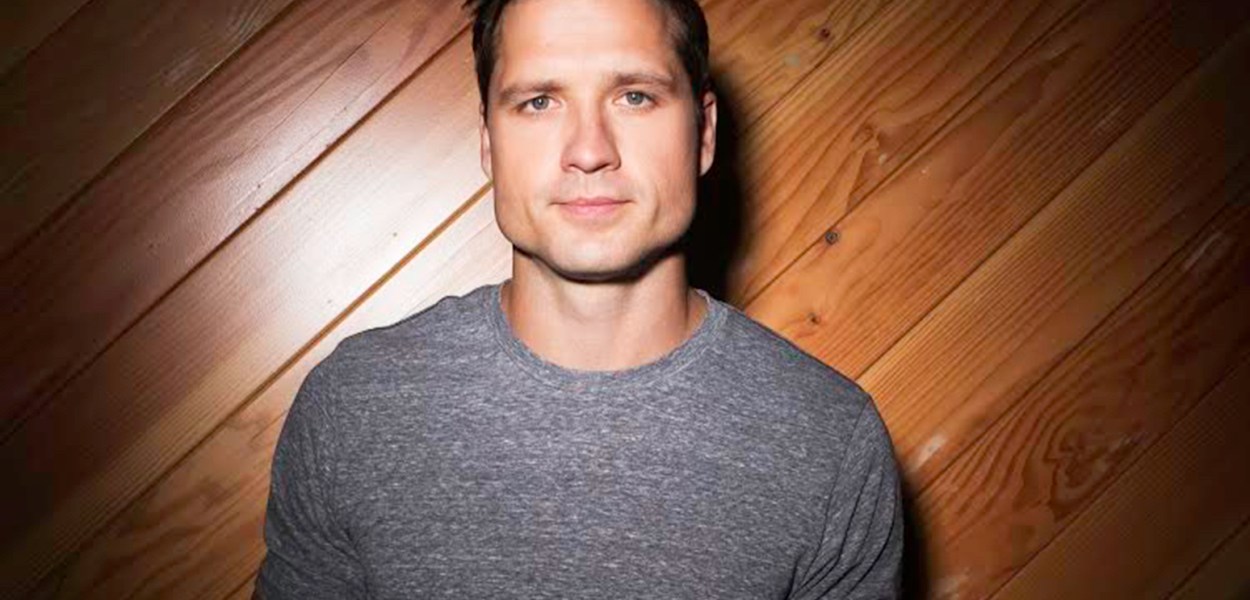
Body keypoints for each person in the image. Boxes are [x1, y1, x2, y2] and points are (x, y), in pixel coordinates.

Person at [254, 0, 904, 597]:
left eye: (635, 96)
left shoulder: (829, 443)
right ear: (488, 141)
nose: (589, 151)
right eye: (539, 101)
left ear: (704, 133)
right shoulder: (353, 409)